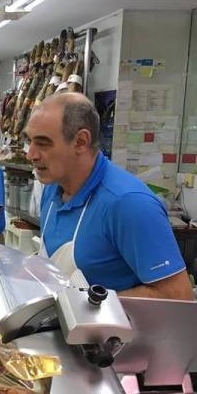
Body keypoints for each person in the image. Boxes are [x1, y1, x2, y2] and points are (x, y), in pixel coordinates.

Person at [25, 93, 192, 299]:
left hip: (116, 330)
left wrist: (94, 307)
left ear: (80, 141)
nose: (31, 154)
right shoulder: (52, 188)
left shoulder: (128, 204)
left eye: (43, 143)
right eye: (30, 141)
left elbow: (177, 295)